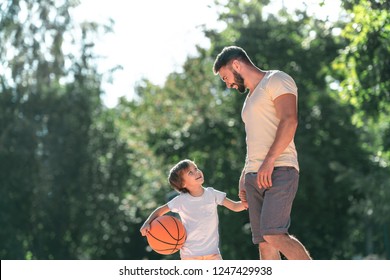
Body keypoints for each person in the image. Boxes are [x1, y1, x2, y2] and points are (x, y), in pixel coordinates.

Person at [212, 46, 311, 260]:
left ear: (236, 65)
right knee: (265, 245)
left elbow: (289, 120)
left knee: (274, 234)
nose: (228, 84)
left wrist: (269, 161)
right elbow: (254, 141)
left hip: (280, 168)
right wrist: (244, 174)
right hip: (254, 176)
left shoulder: (276, 79)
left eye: (226, 77)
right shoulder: (249, 100)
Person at [140, 159, 247, 260]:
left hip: (213, 254)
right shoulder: (181, 200)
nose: (197, 172)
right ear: (183, 184)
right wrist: (147, 223)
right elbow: (160, 211)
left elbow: (235, 206)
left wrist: (250, 202)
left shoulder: (212, 194)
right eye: (190, 173)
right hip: (190, 255)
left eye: (196, 168)